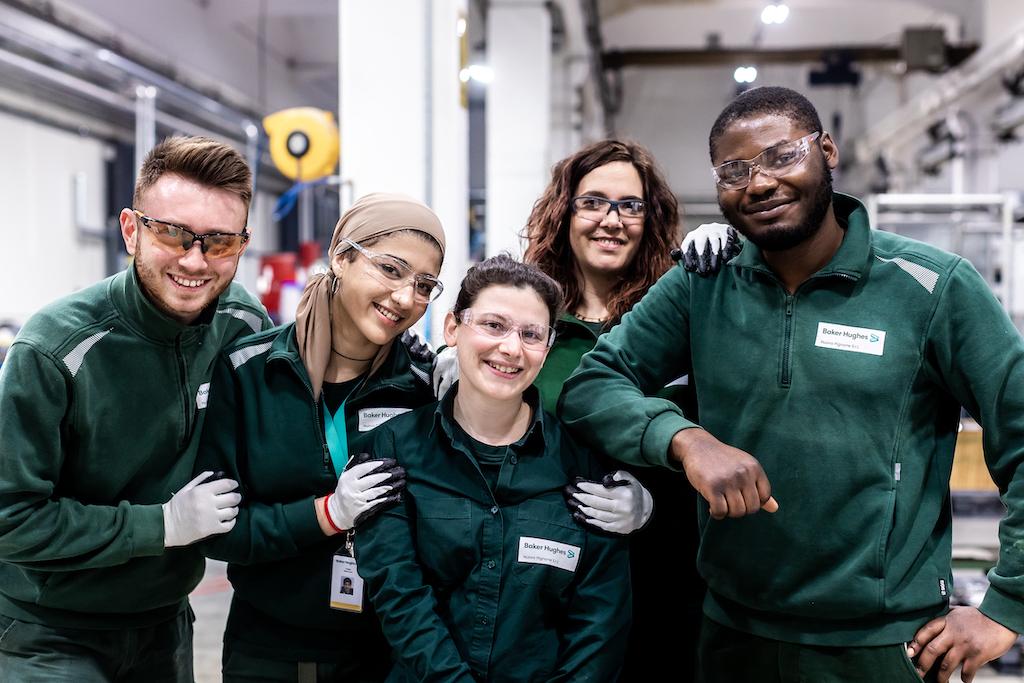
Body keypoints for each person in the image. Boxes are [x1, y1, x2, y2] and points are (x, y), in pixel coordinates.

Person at [560, 85, 1024, 683]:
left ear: (827, 151)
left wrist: (1006, 606)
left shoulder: (931, 289)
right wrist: (685, 440)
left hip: (882, 648)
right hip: (731, 638)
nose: (758, 183)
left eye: (782, 156)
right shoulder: (702, 284)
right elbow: (593, 384)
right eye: (734, 170)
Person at [0, 136, 269, 681]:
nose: (194, 260)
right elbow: (10, 518)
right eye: (172, 233)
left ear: (242, 246)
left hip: (165, 624)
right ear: (131, 230)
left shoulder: (244, 324)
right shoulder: (55, 349)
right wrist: (160, 526)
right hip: (49, 630)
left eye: (218, 242)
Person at [195, 193, 446, 682]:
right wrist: (326, 514)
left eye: (424, 284)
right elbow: (217, 531)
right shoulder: (250, 373)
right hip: (271, 651)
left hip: (390, 652)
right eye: (390, 269)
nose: (404, 297)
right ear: (341, 256)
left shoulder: (424, 386)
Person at [356, 254, 632, 682]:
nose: (510, 348)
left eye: (531, 334)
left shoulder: (582, 463)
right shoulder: (395, 447)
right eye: (494, 325)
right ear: (452, 328)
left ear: (547, 347)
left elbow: (599, 619)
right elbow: (400, 597)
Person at [524, 138, 706, 679]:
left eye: (630, 205)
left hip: (659, 577)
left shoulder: (681, 321)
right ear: (565, 212)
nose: (612, 220)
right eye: (593, 202)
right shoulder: (532, 322)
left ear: (651, 219)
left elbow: (716, 442)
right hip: (545, 576)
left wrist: (655, 509)